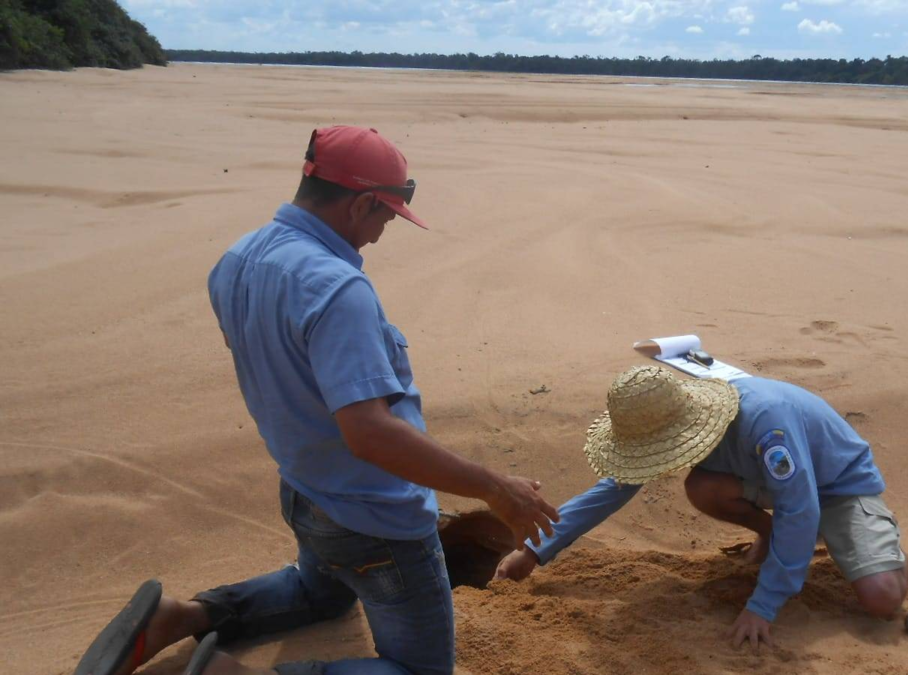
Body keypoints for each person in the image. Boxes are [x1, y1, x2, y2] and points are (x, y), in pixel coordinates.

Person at [74, 126, 559, 675]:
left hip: (305, 491)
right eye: (385, 217)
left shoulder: (238, 258)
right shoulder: (337, 289)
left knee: (321, 591)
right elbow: (370, 433)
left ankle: (182, 616)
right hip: (375, 519)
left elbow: (266, 364)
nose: (381, 233)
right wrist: (495, 487)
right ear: (362, 203)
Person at [494, 365, 908, 651]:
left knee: (881, 599)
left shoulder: (767, 425)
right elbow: (612, 490)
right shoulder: (667, 415)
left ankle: (885, 543)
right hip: (774, 483)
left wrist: (763, 606)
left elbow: (800, 508)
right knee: (704, 486)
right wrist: (534, 550)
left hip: (837, 485)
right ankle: (769, 535)